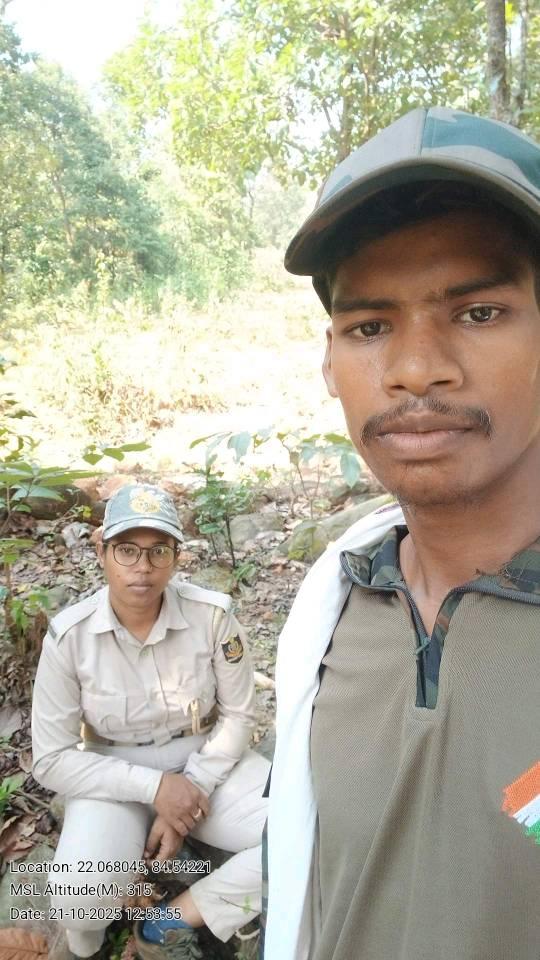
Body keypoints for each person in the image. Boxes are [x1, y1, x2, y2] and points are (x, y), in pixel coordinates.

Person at [263, 106, 540, 960]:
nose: (416, 370)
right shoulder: (332, 608)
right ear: (329, 362)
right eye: (371, 327)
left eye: (480, 312)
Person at [31, 482, 269, 960]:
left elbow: (240, 714)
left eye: (159, 550)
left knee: (312, 837)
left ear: (176, 556)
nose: (143, 567)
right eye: (126, 550)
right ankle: (86, 944)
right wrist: (156, 788)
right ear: (101, 551)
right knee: (78, 903)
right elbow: (51, 759)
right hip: (112, 776)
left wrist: (189, 791)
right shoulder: (70, 637)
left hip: (209, 763)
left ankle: (171, 920)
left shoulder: (212, 617)